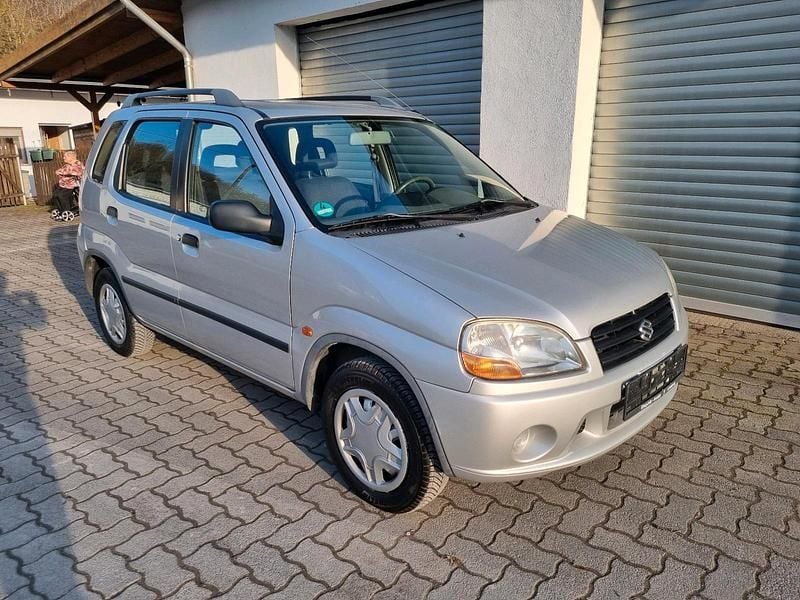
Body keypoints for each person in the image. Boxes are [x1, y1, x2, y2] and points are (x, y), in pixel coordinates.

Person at [51, 151, 84, 221]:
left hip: (72, 185)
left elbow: (78, 172)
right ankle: (60, 210)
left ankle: (66, 210)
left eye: (65, 156)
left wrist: (63, 172)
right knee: (56, 195)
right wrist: (62, 172)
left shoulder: (77, 164)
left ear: (70, 157)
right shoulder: (67, 165)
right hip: (64, 185)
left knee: (61, 195)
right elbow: (59, 171)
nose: (63, 158)